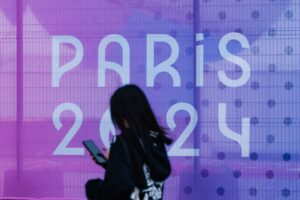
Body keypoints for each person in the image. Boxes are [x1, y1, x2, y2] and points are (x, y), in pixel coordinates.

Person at [85, 84, 172, 200]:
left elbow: (115, 190)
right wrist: (111, 164)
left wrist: (92, 188)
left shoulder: (122, 142)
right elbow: (140, 176)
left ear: (118, 113)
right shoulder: (155, 139)